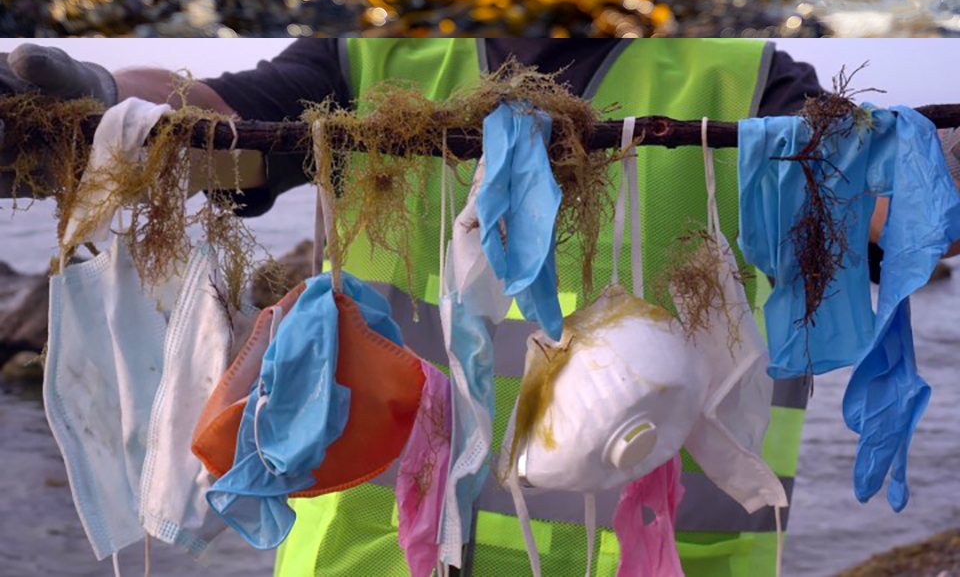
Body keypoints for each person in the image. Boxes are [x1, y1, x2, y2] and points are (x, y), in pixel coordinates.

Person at [4, 37, 822, 576]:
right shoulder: (370, 54)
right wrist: (103, 107)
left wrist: (946, 171)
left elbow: (893, 202)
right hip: (368, 558)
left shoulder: (745, 82)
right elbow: (225, 120)